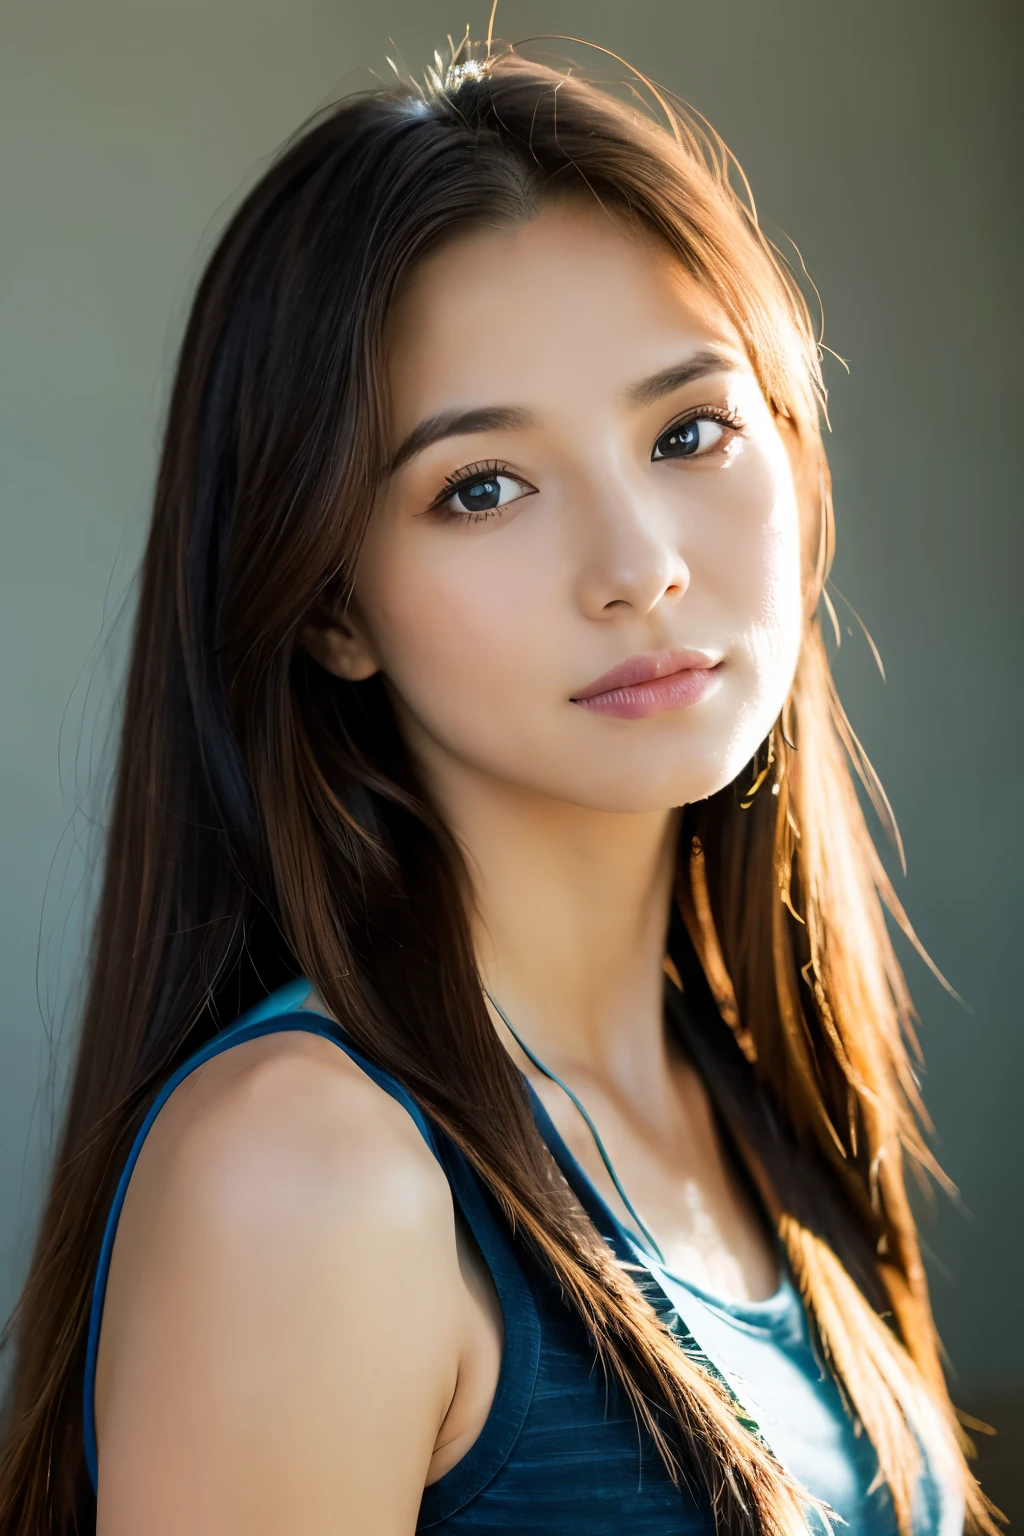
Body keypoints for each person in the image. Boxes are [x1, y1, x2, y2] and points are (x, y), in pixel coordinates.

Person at [0, 38, 999, 1536]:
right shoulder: (308, 1177)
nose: (639, 563)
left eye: (690, 431)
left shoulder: (739, 1095)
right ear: (330, 608)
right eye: (481, 486)